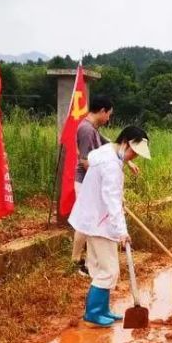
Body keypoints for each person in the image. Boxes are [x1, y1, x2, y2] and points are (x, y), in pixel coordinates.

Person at [68, 126, 151, 327]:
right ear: (125, 143)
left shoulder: (105, 153)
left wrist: (118, 199)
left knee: (98, 268)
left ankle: (102, 309)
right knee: (109, 270)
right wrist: (122, 231)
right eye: (133, 152)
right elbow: (111, 199)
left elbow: (107, 191)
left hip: (92, 217)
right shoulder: (112, 165)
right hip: (100, 222)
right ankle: (94, 314)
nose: (134, 157)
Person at [70, 95, 113, 277]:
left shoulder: (93, 129)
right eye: (109, 114)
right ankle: (76, 260)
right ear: (102, 111)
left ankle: (88, 261)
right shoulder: (86, 130)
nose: (109, 118)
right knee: (85, 223)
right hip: (85, 182)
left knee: (91, 222)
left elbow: (110, 145)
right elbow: (84, 161)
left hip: (90, 182)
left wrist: (126, 158)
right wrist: (104, 178)